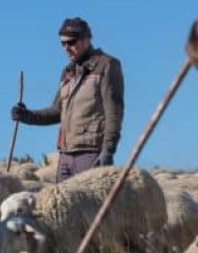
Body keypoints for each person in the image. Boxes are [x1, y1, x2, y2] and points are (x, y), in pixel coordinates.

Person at [10, 17, 124, 183]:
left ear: (86, 39)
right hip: (65, 155)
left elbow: (114, 112)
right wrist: (26, 115)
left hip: (91, 153)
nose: (66, 48)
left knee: (91, 208)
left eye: (71, 42)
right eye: (62, 44)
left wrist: (108, 151)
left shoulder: (107, 65)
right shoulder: (67, 72)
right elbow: (56, 111)